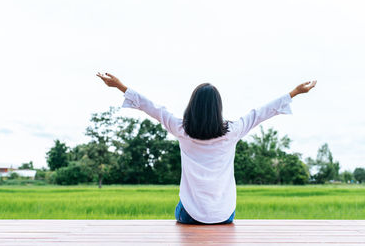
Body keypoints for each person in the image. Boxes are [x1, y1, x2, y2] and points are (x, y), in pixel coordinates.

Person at [97, 72, 317, 225]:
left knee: (180, 208)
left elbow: (152, 107)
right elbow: (261, 112)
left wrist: (119, 86)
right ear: (218, 108)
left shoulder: (180, 128)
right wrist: (295, 92)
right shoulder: (233, 130)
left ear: (192, 106)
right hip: (225, 215)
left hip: (189, 215)